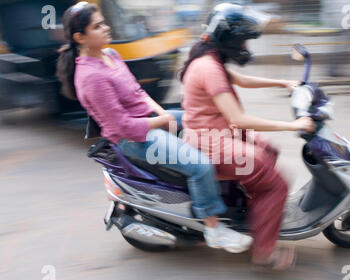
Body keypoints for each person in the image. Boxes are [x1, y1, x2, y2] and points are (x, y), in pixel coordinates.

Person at [56, 1, 253, 253]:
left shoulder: (111, 55)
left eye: (104, 22)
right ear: (80, 37)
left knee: (221, 121)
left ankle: (235, 193)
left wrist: (163, 113)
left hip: (149, 119)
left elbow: (137, 91)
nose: (106, 28)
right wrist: (162, 121)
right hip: (134, 138)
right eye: (98, 26)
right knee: (200, 166)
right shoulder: (90, 77)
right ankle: (214, 228)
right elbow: (123, 126)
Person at [180, 3, 315, 270]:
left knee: (270, 150)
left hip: (216, 135)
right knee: (276, 182)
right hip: (210, 143)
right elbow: (238, 119)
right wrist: (292, 125)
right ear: (228, 38)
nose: (245, 46)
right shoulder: (208, 66)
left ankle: (254, 209)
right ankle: (264, 251)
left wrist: (283, 83)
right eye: (243, 39)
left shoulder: (210, 58)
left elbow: (240, 80)